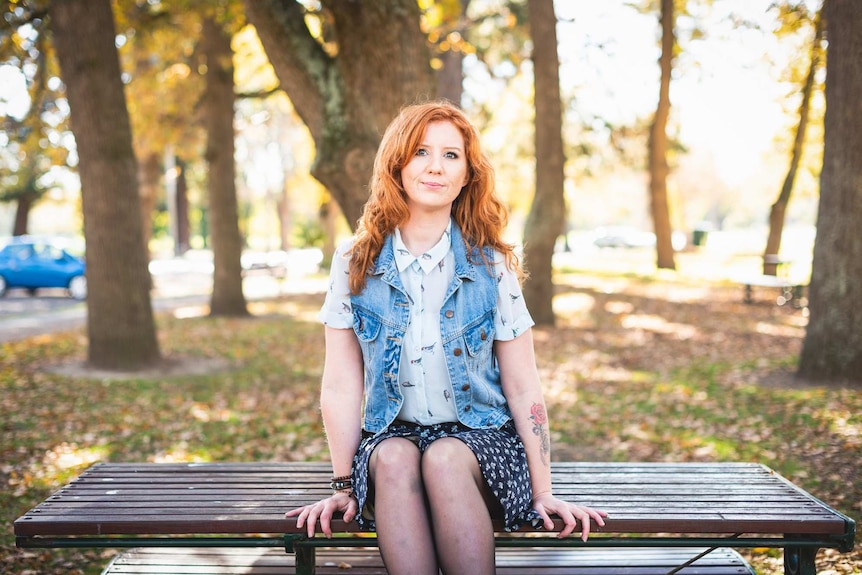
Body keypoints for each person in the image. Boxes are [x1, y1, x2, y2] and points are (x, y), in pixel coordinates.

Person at [287, 100, 607, 574]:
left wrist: (545, 492)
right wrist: (341, 486)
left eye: (451, 156)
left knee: (444, 457)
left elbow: (523, 386)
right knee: (396, 458)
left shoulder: (491, 264)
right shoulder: (354, 262)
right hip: (389, 438)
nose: (435, 166)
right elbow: (339, 384)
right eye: (420, 152)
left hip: (482, 440)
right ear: (397, 165)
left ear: (466, 176)